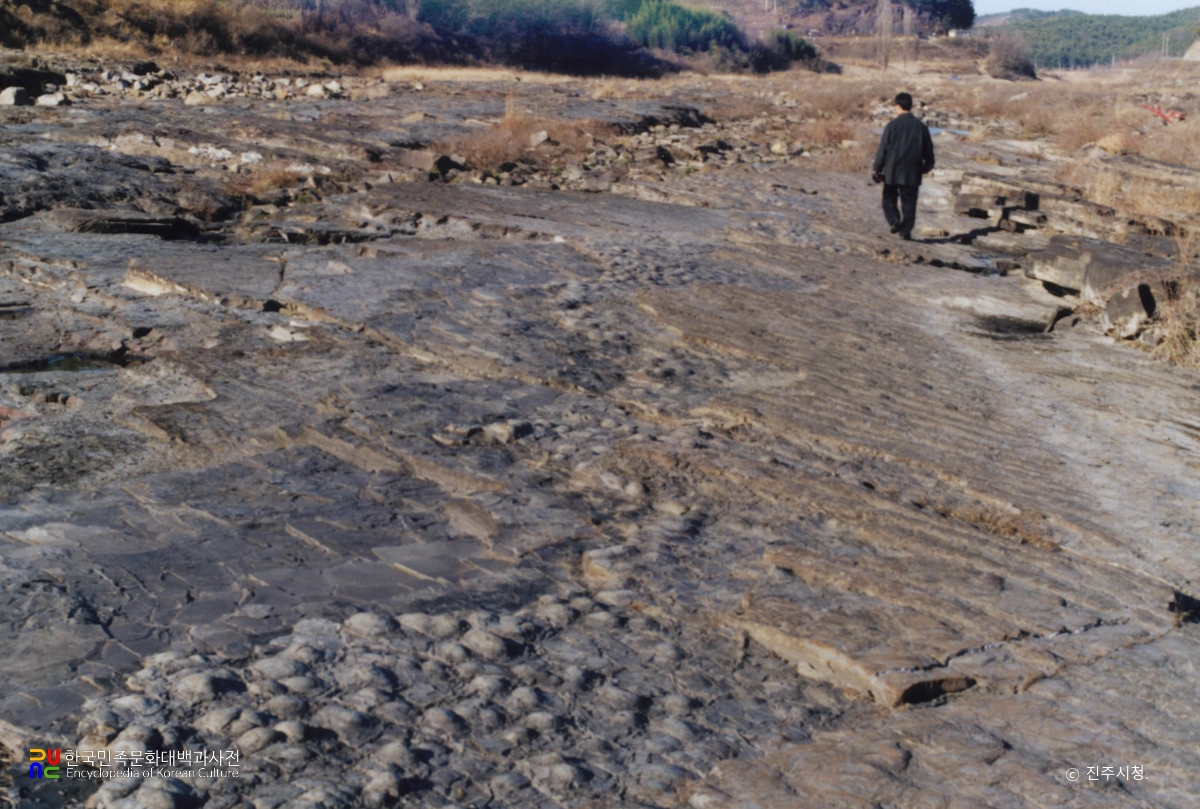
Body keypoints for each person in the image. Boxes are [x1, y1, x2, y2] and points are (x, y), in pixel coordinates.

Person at [872, 92, 935, 241]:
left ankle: (894, 220)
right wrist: (925, 168)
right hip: (912, 173)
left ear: (899, 106)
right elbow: (929, 153)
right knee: (909, 204)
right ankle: (905, 232)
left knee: (889, 199)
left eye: (895, 105)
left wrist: (877, 169)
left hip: (892, 171)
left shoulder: (892, 126)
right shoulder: (921, 127)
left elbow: (883, 149)